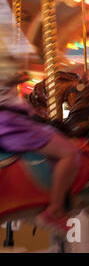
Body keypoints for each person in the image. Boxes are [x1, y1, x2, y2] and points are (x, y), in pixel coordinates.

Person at [0, 55, 81, 236]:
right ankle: (55, 210)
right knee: (69, 152)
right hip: (9, 121)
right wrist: (16, 75)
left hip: (14, 118)